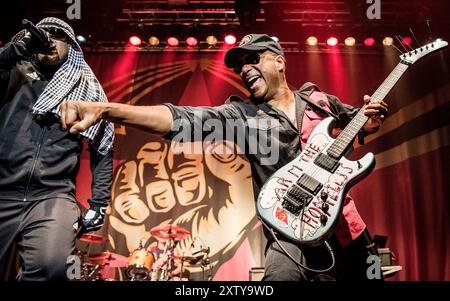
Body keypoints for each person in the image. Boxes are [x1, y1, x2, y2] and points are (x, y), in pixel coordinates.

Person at [59, 34, 388, 281]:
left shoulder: (320, 102)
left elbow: (356, 128)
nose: (245, 69)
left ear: (278, 61)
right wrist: (106, 110)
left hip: (345, 227)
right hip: (289, 233)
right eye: (239, 65)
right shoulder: (241, 116)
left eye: (253, 59)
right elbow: (179, 119)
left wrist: (370, 122)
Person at [0, 17, 114, 280]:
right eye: (44, 33)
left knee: (52, 268)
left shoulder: (86, 87)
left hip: (52, 194)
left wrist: (99, 202)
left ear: (72, 44)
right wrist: (21, 47)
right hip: (3, 187)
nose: (50, 38)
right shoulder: (14, 72)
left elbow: (103, 146)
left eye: (58, 34)